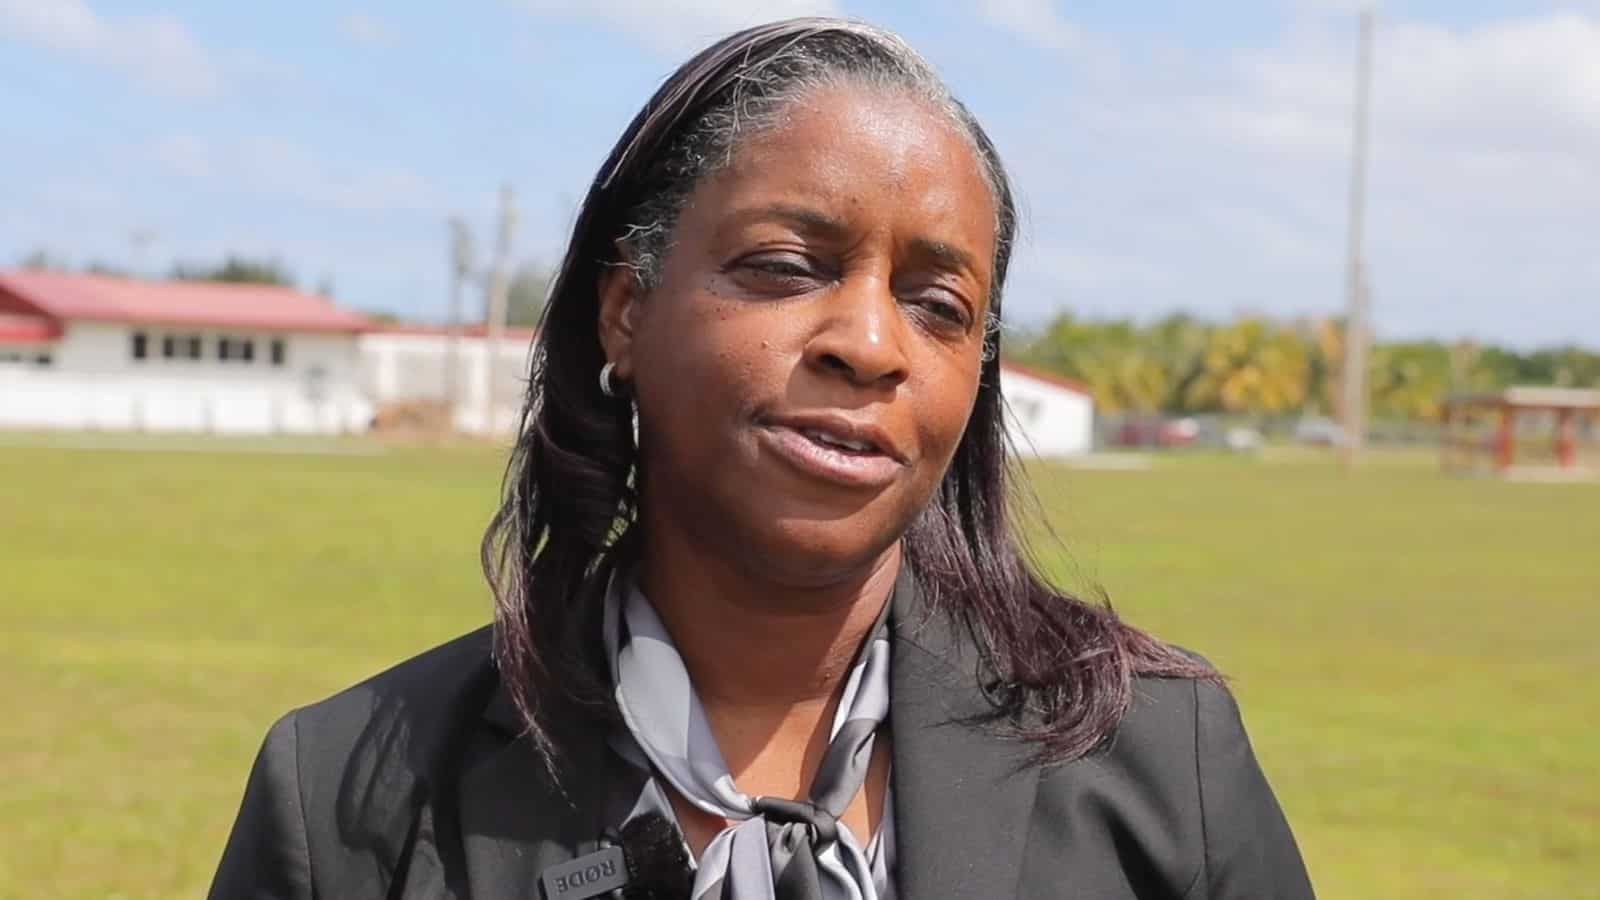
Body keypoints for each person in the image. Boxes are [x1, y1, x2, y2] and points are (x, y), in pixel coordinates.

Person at [209, 18, 1315, 900]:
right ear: (626, 311)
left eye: (938, 305)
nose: (870, 345)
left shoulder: (1160, 761)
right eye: (787, 267)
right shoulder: (348, 799)